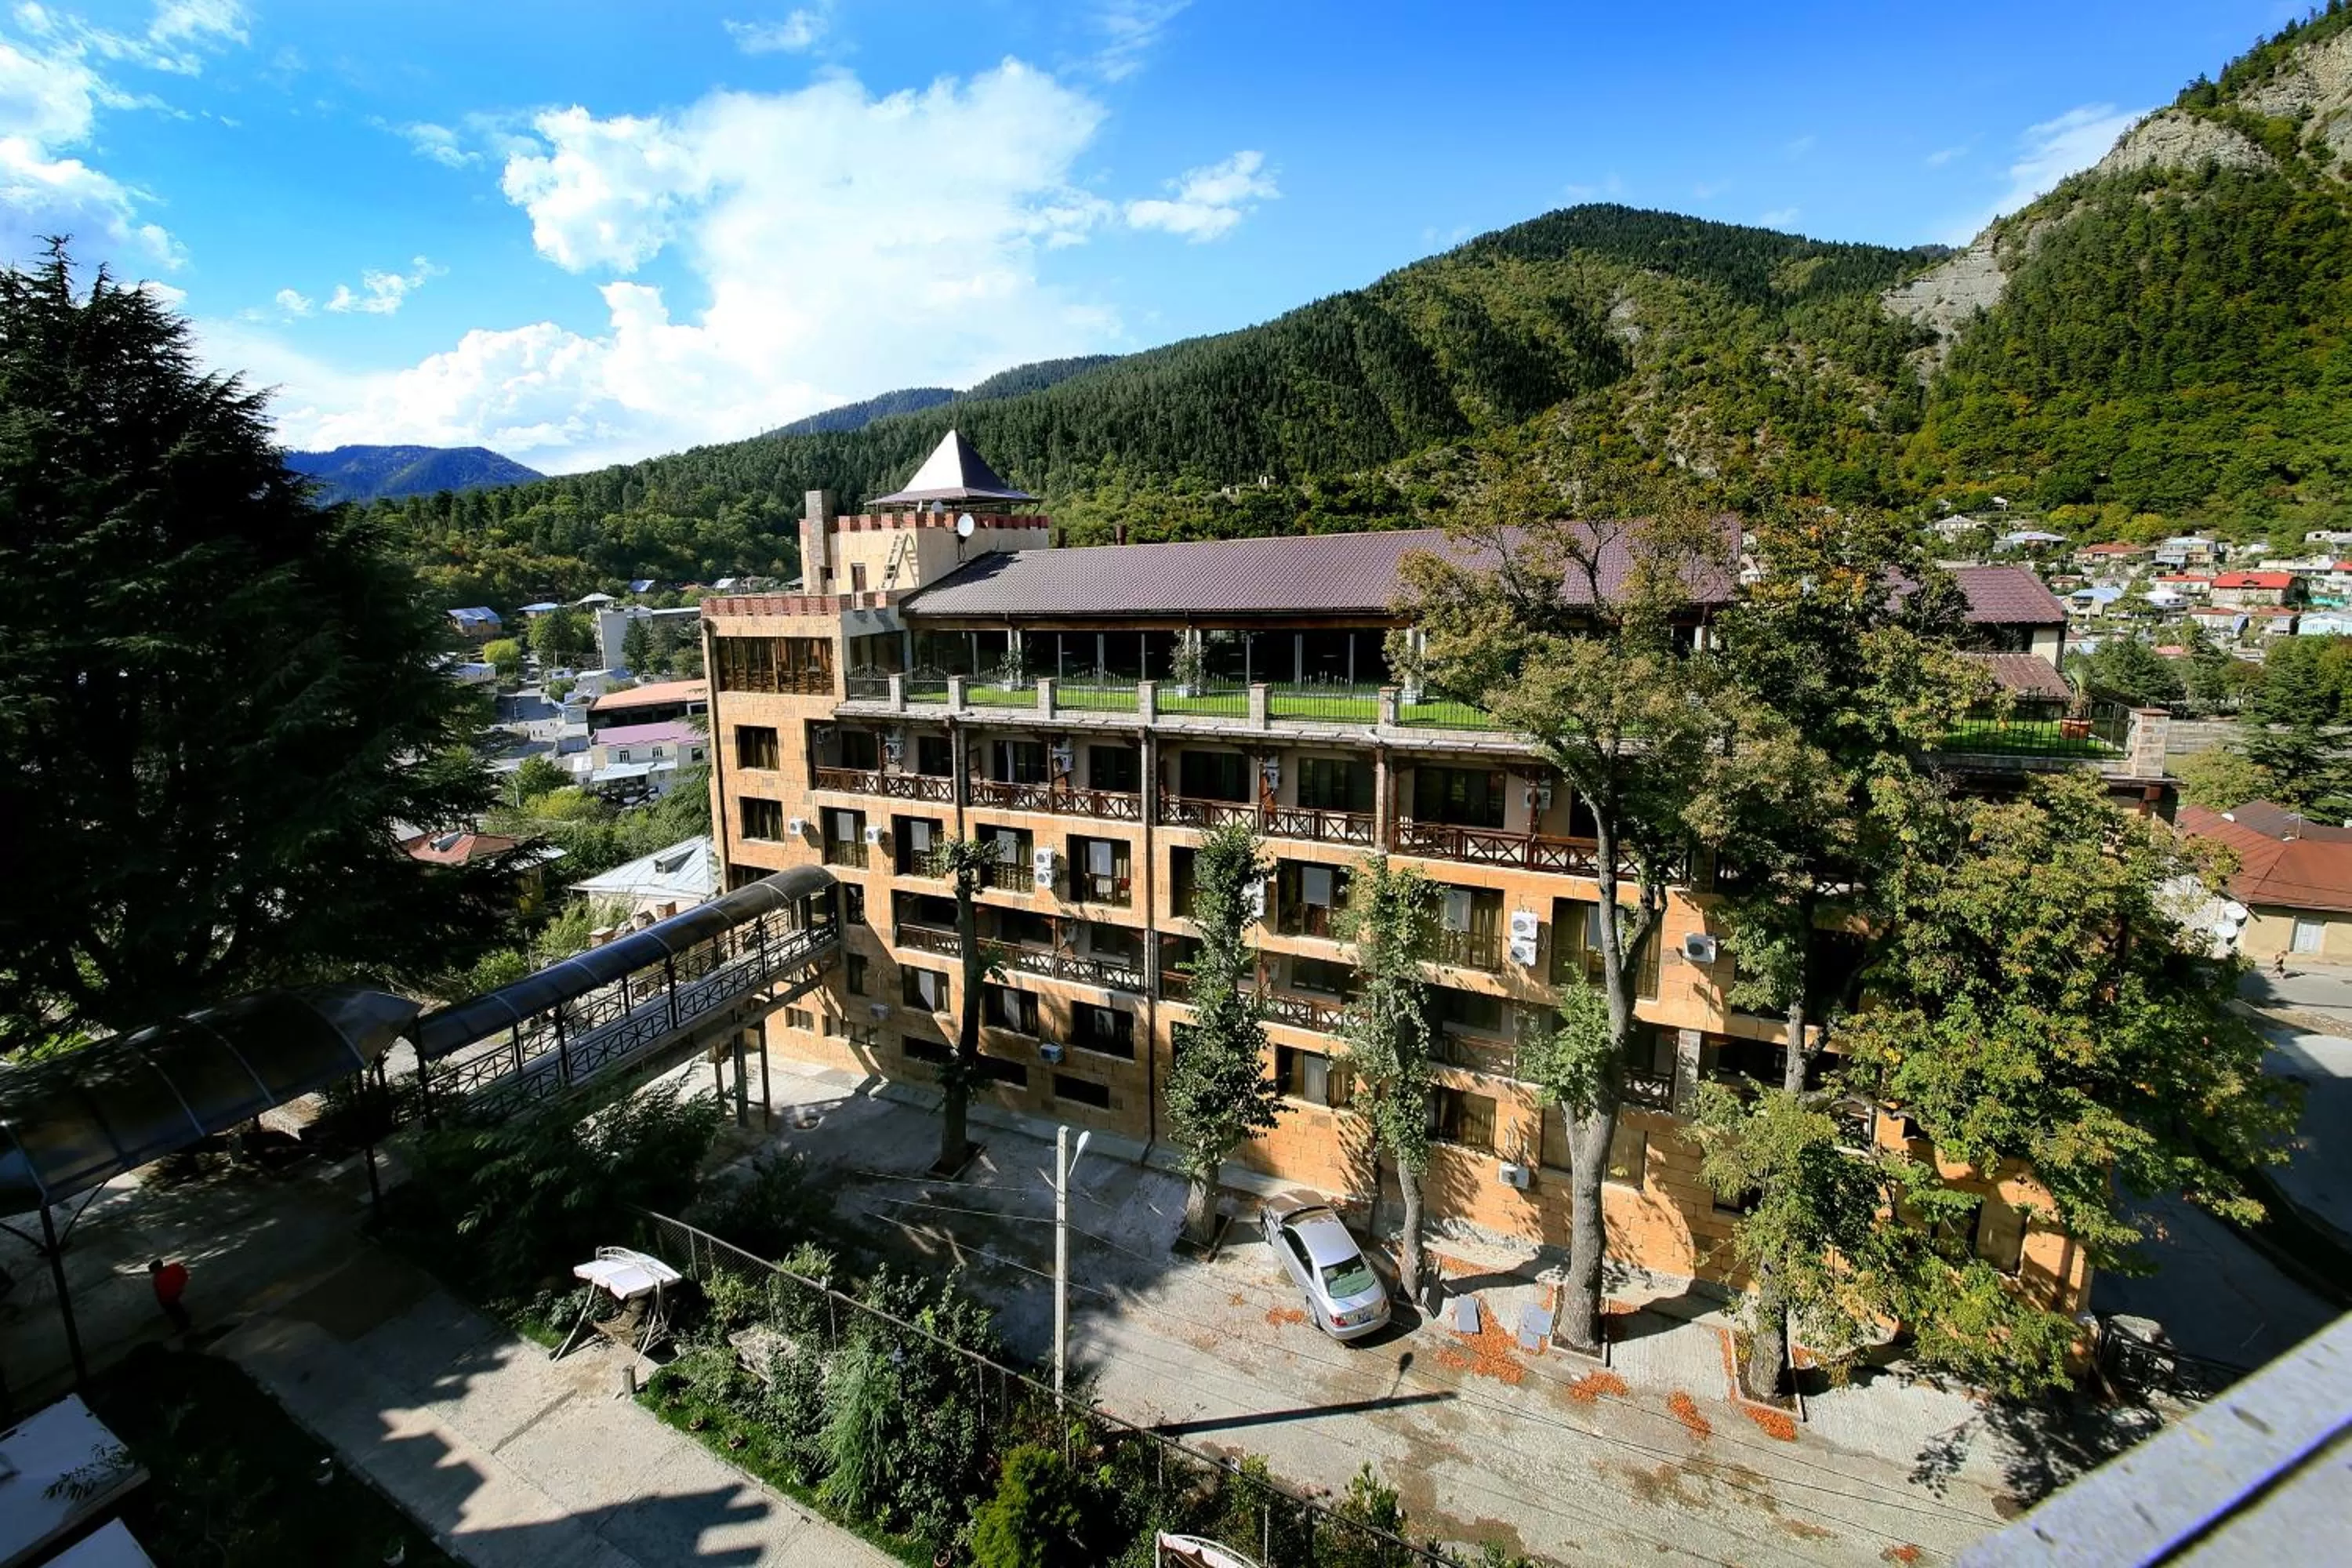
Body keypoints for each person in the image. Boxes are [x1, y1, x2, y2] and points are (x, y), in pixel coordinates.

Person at [148, 1257, 191, 1334]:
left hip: (169, 1298)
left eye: (154, 1271)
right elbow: (184, 1275)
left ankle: (183, 1327)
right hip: (170, 1297)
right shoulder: (170, 1269)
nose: (154, 1273)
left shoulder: (160, 1276)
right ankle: (185, 1325)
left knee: (175, 1313)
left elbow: (160, 1291)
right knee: (178, 1311)